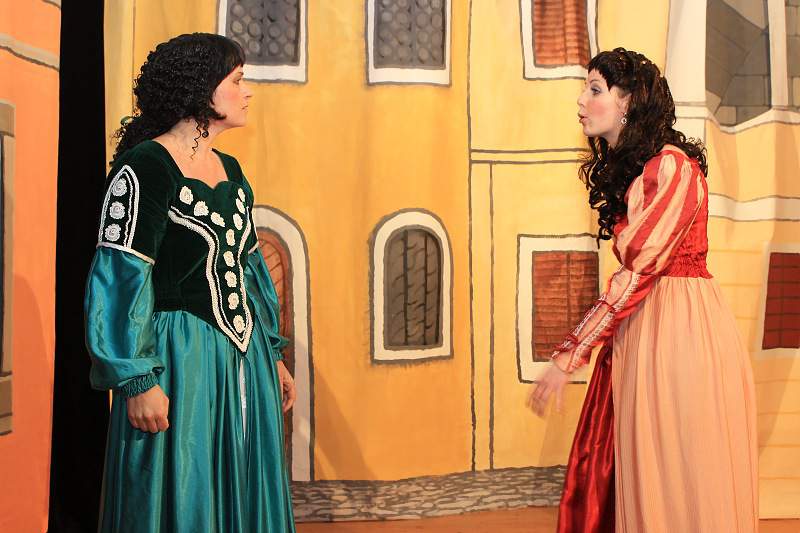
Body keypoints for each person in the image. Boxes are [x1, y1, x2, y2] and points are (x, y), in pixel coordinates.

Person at [528, 48, 758, 532]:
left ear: (629, 101)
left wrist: (570, 354)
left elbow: (638, 270)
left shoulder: (672, 168)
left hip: (678, 333)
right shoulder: (642, 169)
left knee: (678, 476)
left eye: (595, 89)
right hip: (646, 327)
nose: (581, 100)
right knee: (648, 475)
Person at [84, 33, 296, 533]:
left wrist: (272, 353)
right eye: (237, 80)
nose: (247, 91)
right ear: (203, 89)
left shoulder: (231, 170)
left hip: (244, 360)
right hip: (181, 360)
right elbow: (120, 277)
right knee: (183, 488)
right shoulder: (146, 168)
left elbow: (247, 270)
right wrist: (137, 378)